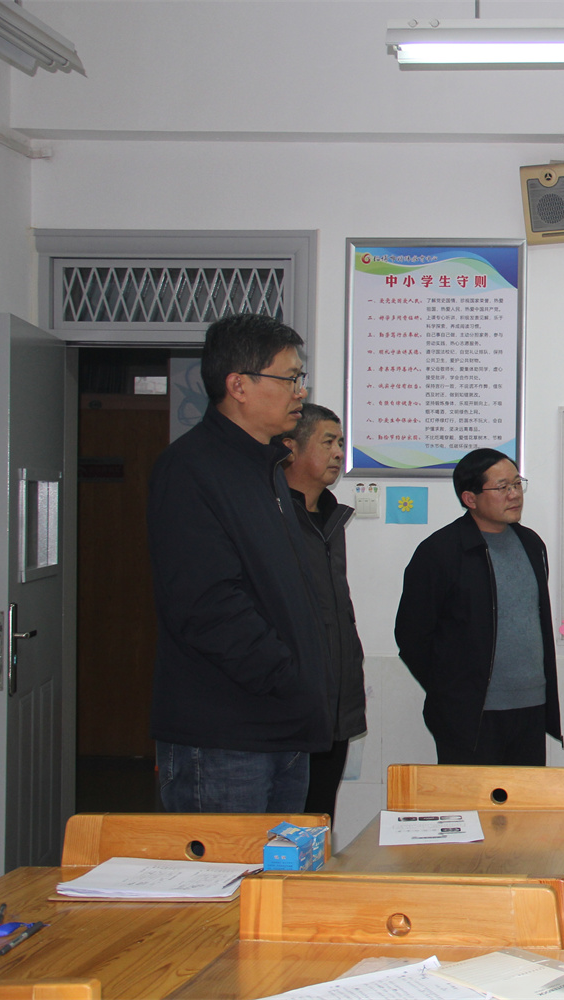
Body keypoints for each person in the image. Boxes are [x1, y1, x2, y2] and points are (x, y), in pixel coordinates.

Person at [147, 313, 332, 812]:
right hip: (225, 737)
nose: (300, 391)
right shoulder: (190, 469)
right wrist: (286, 677)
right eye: (289, 378)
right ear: (239, 386)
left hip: (282, 727)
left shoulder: (266, 470)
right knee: (228, 865)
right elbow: (205, 604)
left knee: (280, 865)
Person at [394, 449, 563, 765]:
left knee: (526, 797)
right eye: (502, 487)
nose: (514, 494)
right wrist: (453, 690)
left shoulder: (531, 544)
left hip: (531, 707)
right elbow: (412, 636)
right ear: (470, 498)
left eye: (517, 484)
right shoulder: (440, 552)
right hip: (471, 715)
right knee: (471, 798)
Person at [277, 403, 366, 822]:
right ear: (290, 448)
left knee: (318, 822)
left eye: (341, 443)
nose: (338, 453)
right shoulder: (272, 517)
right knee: (282, 829)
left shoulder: (329, 518)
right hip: (291, 706)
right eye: (328, 442)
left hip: (335, 706)